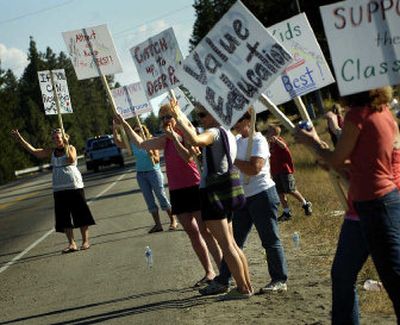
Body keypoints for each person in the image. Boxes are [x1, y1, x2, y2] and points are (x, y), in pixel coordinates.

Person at [295, 86, 400, 323]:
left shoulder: (357, 114)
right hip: (363, 208)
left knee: (394, 280)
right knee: (342, 275)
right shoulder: (382, 112)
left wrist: (311, 142)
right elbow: (365, 163)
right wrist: (335, 162)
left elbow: (339, 159)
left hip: (377, 205)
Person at [114, 107, 222, 286]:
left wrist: (176, 139)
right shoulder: (165, 140)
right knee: (192, 233)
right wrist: (125, 124)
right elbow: (141, 143)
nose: (165, 120)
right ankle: (209, 272)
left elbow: (188, 157)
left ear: (176, 118)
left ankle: (223, 272)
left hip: (194, 187)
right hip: (177, 191)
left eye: (168, 116)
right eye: (162, 117)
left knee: (206, 231)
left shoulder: (188, 134)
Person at [169, 102, 253, 300]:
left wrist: (179, 119)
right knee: (232, 244)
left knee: (227, 246)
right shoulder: (228, 133)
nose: (200, 119)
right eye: (199, 115)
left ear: (215, 115)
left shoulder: (214, 132)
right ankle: (246, 285)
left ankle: (242, 288)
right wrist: (180, 116)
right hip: (226, 192)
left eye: (203, 115)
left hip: (214, 194)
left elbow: (196, 139)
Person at [200, 111, 288, 296]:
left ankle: (279, 279)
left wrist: (232, 160)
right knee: (232, 242)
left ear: (249, 120)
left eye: (240, 119)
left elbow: (254, 168)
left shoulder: (258, 141)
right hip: (241, 198)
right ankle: (224, 279)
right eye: (234, 120)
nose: (236, 123)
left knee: (270, 240)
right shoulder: (236, 140)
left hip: (262, 194)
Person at [11, 128, 95, 253]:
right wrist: (20, 139)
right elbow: (34, 152)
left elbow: (71, 159)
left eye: (58, 137)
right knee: (64, 217)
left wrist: (66, 144)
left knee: (81, 214)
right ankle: (71, 243)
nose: (56, 139)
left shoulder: (71, 148)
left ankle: (85, 241)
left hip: (74, 186)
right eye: (54, 138)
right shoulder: (51, 151)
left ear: (64, 137)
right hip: (59, 188)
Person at [112, 121, 177, 233]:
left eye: (139, 130)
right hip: (141, 174)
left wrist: (151, 153)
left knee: (161, 197)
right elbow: (118, 142)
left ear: (144, 131)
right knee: (149, 200)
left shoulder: (151, 142)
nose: (137, 132)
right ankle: (158, 225)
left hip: (153, 172)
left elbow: (156, 160)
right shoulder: (133, 143)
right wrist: (115, 129)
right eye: (135, 131)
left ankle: (173, 220)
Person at [265, 125, 312, 221]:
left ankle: (305, 203)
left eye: (268, 131)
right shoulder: (270, 144)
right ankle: (287, 212)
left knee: (291, 189)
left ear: (274, 133)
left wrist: (277, 140)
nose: (266, 133)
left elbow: (284, 146)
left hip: (284, 170)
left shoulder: (279, 141)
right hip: (275, 171)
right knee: (280, 192)